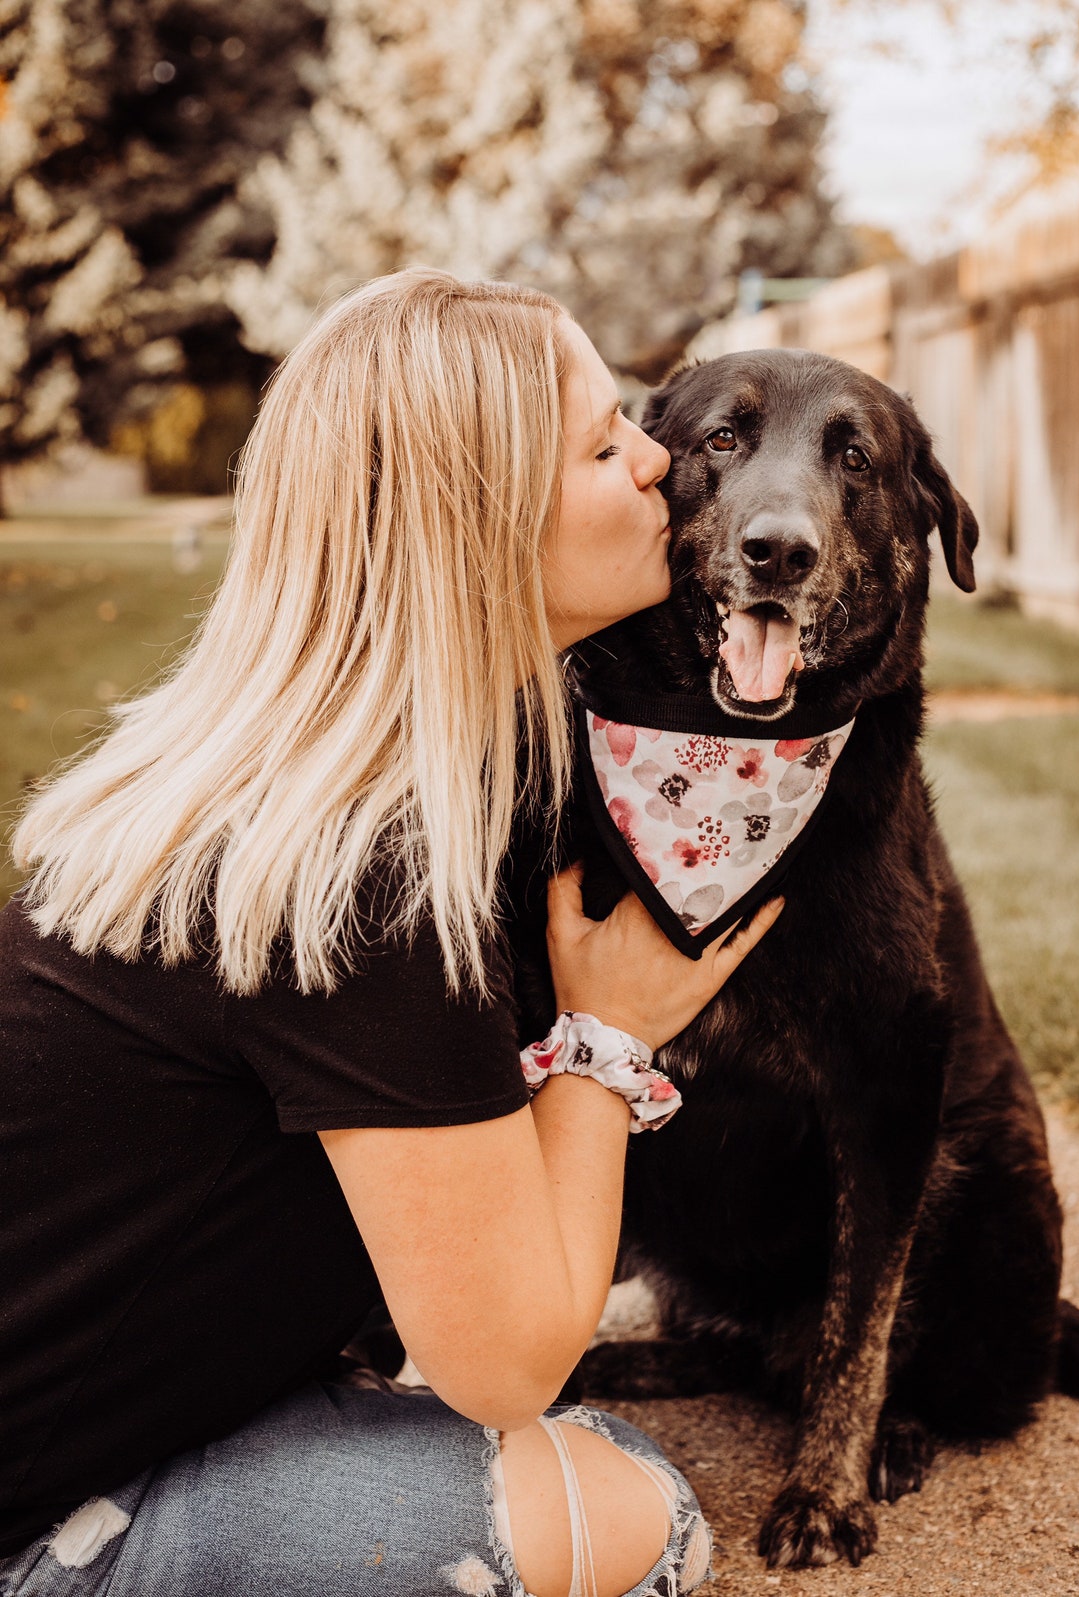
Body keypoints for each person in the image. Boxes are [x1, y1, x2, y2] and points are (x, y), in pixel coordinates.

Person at [0, 270, 782, 1597]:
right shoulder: (371, 869)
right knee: (629, 1514)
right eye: (602, 445)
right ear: (474, 532)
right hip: (30, 1497)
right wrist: (605, 1042)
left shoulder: (288, 781)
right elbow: (507, 1361)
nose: (656, 458)